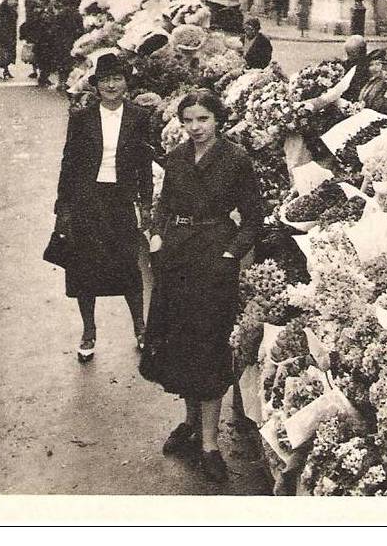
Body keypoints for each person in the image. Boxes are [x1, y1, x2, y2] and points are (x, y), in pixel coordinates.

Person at [140, 90, 264, 484]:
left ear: (218, 120)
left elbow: (253, 217)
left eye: (203, 119)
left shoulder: (236, 158)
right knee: (180, 341)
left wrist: (231, 253)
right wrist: (157, 235)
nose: (195, 128)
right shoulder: (175, 158)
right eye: (188, 120)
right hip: (176, 256)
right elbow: (163, 205)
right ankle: (190, 422)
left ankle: (210, 443)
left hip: (214, 255)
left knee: (209, 345)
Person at [53, 53, 154, 364]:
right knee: (84, 268)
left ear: (126, 83)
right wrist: (63, 207)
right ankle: (89, 331)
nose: (111, 85)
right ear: (96, 85)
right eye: (105, 79)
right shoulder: (82, 118)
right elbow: (69, 162)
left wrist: (146, 205)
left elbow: (144, 165)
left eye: (117, 79)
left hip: (121, 200)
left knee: (128, 267)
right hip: (86, 200)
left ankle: (140, 327)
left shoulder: (139, 117)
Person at [342, 34, 370, 101]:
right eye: (348, 53)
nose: (349, 57)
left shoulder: (366, 67)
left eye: (352, 53)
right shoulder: (346, 64)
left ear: (362, 52)